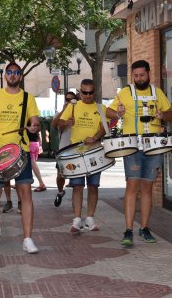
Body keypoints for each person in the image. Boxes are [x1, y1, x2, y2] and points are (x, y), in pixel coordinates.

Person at [106, 60, 172, 247]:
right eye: (135, 76)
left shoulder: (157, 93)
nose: (138, 79)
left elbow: (171, 115)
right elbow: (109, 112)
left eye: (142, 75)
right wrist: (117, 113)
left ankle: (144, 228)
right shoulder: (125, 92)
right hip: (133, 146)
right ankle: (128, 230)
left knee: (147, 188)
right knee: (132, 185)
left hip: (153, 146)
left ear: (149, 74)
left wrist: (162, 117)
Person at [0, 62, 41, 254]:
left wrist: (34, 127)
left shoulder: (28, 98)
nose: (13, 75)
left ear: (20, 76)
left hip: (21, 151)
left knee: (26, 194)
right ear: (5, 76)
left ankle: (28, 238)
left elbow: (35, 122)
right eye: (10, 72)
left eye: (16, 72)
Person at [58, 80, 107, 234]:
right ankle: (77, 219)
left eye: (90, 92)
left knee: (93, 186)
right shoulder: (73, 106)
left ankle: (90, 219)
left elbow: (103, 128)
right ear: (80, 92)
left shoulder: (101, 108)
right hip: (76, 153)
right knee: (77, 186)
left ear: (94, 92)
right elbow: (59, 124)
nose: (87, 95)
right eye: (84, 92)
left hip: (94, 151)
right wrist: (66, 123)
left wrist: (95, 137)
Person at [51, 91, 77, 207]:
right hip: (63, 149)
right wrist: (64, 111)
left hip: (76, 149)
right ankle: (60, 192)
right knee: (60, 176)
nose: (69, 101)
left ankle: (76, 202)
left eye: (72, 100)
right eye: (67, 99)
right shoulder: (60, 114)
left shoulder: (78, 112)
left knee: (77, 179)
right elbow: (54, 125)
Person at [28, 120, 46, 192]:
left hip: (30, 144)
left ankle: (41, 183)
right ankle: (24, 183)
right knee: (30, 164)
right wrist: (40, 145)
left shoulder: (27, 120)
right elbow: (39, 132)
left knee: (33, 164)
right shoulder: (36, 120)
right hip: (35, 144)